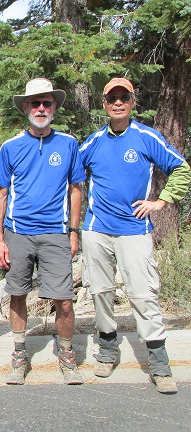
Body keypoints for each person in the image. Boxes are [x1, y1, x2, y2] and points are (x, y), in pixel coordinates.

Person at [79, 77, 191, 394]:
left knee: (143, 295)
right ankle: (107, 350)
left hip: (134, 231)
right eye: (112, 97)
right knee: (100, 291)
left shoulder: (146, 137)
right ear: (103, 103)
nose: (117, 102)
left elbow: (181, 168)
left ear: (132, 102)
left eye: (123, 97)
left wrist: (161, 201)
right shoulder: (93, 142)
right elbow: (71, 174)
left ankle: (159, 364)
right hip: (96, 231)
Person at [0, 78, 86, 385]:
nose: (41, 108)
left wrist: (73, 232)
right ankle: (19, 353)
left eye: (47, 103)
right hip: (18, 233)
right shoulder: (10, 146)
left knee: (65, 300)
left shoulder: (69, 144)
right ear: (25, 108)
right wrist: (0, 240)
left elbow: (75, 190)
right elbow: (0, 193)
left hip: (56, 234)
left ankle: (68, 355)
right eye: (35, 103)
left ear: (55, 107)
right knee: (16, 294)